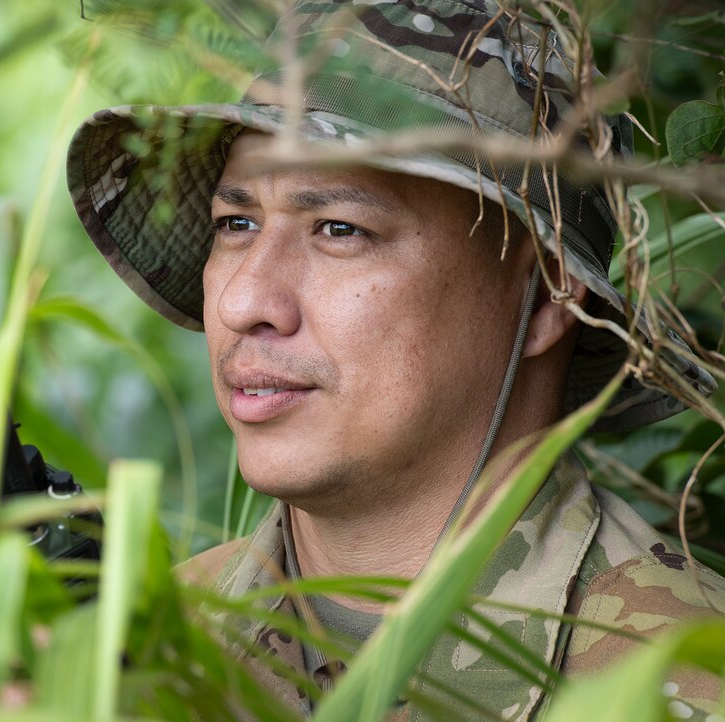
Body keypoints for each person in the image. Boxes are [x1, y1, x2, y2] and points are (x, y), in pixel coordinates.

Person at [64, 0, 725, 719]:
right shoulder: (132, 660)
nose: (243, 302)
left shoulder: (681, 685)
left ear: (545, 298)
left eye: (340, 229)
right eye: (237, 223)